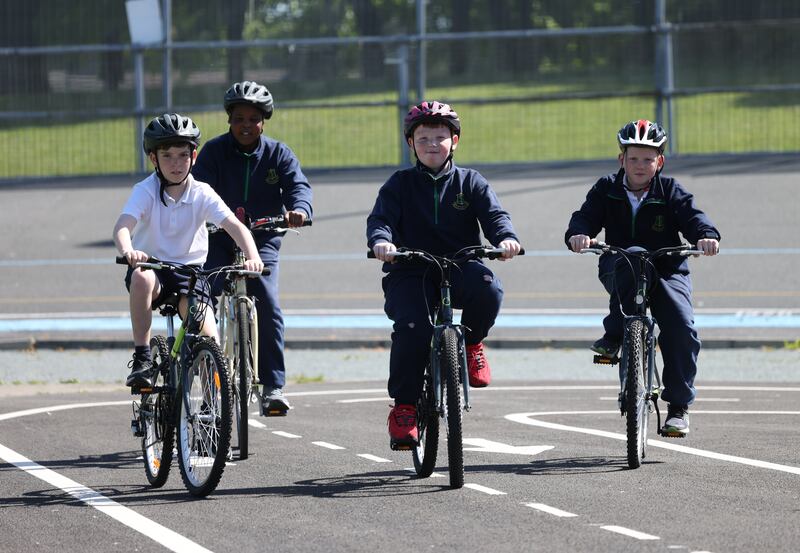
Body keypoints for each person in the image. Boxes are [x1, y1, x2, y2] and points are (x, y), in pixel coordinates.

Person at [367, 101, 522, 449]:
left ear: (455, 141)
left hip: (461, 264)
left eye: (440, 137)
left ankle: (471, 342)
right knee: (412, 328)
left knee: (489, 290)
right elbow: (381, 220)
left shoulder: (471, 182)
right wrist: (381, 241)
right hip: (410, 270)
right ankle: (405, 407)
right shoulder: (399, 184)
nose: (432, 145)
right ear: (411, 144)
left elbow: (495, 217)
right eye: (423, 139)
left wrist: (505, 239)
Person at [565, 119, 721, 436]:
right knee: (631, 262)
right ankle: (614, 340)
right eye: (633, 158)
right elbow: (584, 217)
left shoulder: (670, 190)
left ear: (659, 161)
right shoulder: (605, 189)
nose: (640, 165)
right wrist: (579, 234)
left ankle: (677, 408)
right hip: (620, 264)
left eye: (648, 159)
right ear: (621, 159)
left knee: (681, 327)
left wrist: (706, 235)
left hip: (667, 268)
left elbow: (694, 217)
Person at [113, 113, 264, 388]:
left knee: (210, 341)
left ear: (194, 157)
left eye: (183, 155)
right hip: (154, 270)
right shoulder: (145, 190)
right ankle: (142, 358)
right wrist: (129, 251)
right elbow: (123, 226)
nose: (176, 163)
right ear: (153, 158)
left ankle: (210, 406)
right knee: (141, 276)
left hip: (190, 275)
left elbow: (235, 226)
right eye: (167, 155)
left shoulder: (202, 192)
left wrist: (253, 257)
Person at [192, 80, 313, 415]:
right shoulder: (213, 153)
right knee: (199, 302)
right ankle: (209, 386)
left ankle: (273, 386)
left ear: (264, 121)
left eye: (253, 119)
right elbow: (196, 191)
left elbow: (298, 187)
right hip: (217, 239)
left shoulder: (279, 154)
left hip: (263, 239)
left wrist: (299, 211)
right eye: (239, 118)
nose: (246, 125)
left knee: (268, 301)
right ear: (229, 120)